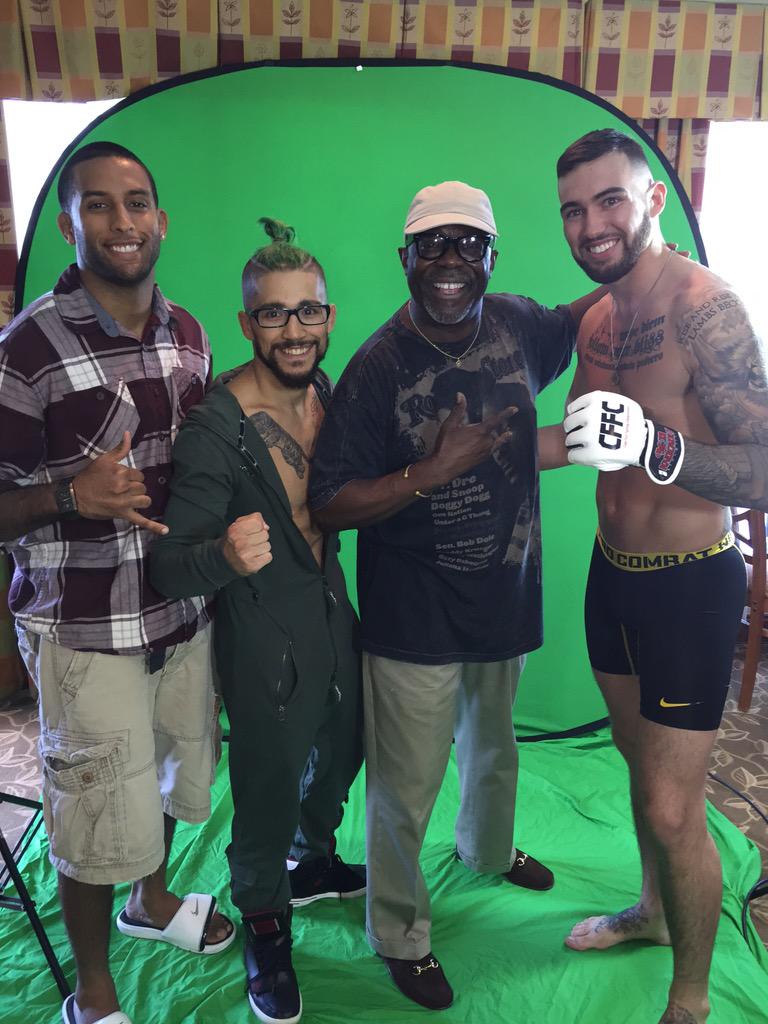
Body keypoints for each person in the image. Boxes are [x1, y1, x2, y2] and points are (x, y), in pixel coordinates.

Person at [308, 182, 604, 1011]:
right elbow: (330, 502)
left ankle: (488, 851)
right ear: (404, 258)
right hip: (415, 616)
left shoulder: (517, 324)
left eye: (468, 243)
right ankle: (399, 933)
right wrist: (430, 471)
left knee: (495, 749)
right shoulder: (377, 367)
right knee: (405, 790)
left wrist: (645, 265)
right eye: (431, 244)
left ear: (491, 258)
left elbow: (574, 316)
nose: (449, 260)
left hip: (504, 596)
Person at [0, 142, 234, 1024]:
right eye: (96, 204)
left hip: (180, 612)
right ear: (69, 226)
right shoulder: (26, 349)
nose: (121, 221)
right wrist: (72, 495)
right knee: (94, 806)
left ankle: (153, 901)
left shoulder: (190, 336)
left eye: (136, 202)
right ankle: (93, 992)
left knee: (171, 773)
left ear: (161, 220)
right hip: (83, 627)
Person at [539, 128, 764, 1024]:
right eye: (573, 210)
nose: (591, 224)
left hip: (690, 585)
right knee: (640, 774)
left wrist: (662, 448)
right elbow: (575, 439)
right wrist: (447, 458)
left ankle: (691, 1000)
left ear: (654, 199)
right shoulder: (596, 320)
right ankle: (652, 912)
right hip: (614, 576)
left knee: (675, 810)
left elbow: (761, 466)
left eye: (609, 200)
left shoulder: (708, 308)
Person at [150, 219, 364, 1024]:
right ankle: (265, 921)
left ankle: (313, 860)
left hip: (330, 603)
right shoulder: (218, 425)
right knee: (269, 779)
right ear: (247, 323)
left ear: (329, 316)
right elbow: (171, 564)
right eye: (274, 314)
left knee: (348, 739)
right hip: (262, 627)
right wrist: (224, 557)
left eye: (307, 311)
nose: (294, 330)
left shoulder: (327, 392)